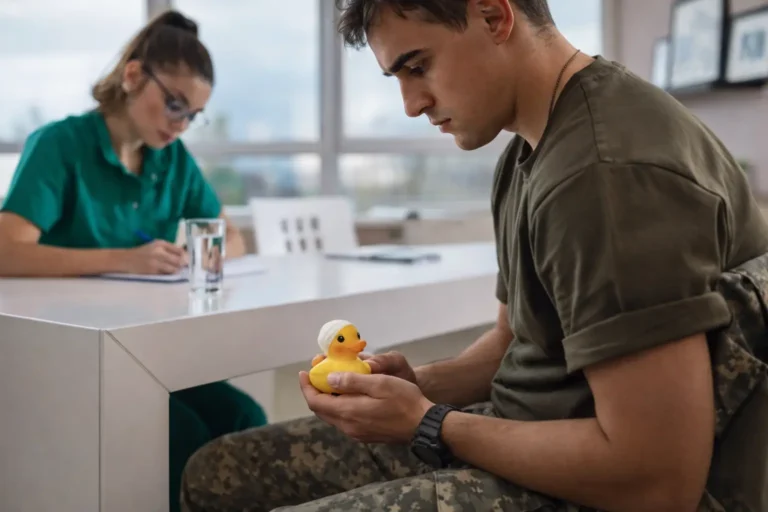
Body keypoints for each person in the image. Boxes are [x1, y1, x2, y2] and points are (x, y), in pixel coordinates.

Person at [180, 1, 768, 511]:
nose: (411, 103)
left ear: (493, 15)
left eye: (417, 66)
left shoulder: (604, 177)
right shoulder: (529, 149)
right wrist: (417, 386)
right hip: (520, 435)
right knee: (213, 472)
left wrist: (428, 422)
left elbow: (659, 478)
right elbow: (517, 343)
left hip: (599, 482)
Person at [0, 10, 267, 512]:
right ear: (132, 75)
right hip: (63, 356)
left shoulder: (173, 160)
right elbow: (6, 251)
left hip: (149, 354)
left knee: (243, 416)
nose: (181, 124)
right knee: (178, 431)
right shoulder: (60, 145)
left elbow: (230, 238)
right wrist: (124, 258)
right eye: (174, 105)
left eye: (193, 115)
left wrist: (194, 252)